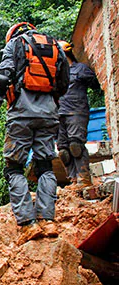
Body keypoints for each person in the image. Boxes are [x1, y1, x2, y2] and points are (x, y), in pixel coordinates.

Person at [0, 22, 70, 244]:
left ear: (12, 35)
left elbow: (2, 79)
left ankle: (27, 224)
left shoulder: (15, 44)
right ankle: (48, 220)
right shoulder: (55, 45)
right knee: (45, 165)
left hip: (21, 114)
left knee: (13, 167)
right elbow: (64, 83)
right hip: (49, 114)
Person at [56, 40, 100, 189]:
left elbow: (96, 85)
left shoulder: (80, 69)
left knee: (76, 146)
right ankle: (73, 180)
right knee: (63, 150)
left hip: (76, 111)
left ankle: (84, 179)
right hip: (59, 114)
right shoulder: (55, 75)